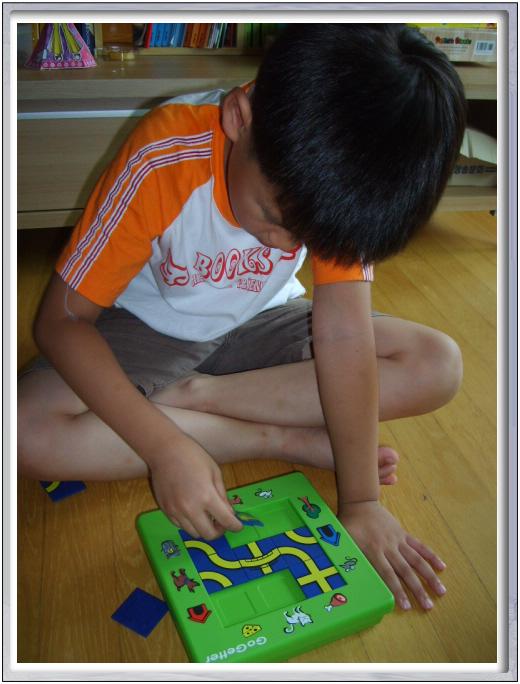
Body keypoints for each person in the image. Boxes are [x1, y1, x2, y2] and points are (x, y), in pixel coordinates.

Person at [18, 24, 466, 613]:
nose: (286, 244)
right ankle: (276, 437)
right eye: (274, 218)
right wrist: (164, 447)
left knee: (436, 364)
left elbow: (343, 332)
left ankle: (194, 396)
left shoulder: (348, 182)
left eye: (307, 237)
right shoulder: (166, 153)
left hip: (264, 318)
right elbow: (61, 323)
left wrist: (361, 502)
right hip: (151, 328)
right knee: (22, 430)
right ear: (238, 118)